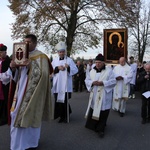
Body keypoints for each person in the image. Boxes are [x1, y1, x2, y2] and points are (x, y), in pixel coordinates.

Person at [9, 34, 53, 150]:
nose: (25, 44)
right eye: (24, 42)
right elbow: (17, 76)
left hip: (33, 93)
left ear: (35, 43)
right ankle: (16, 144)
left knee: (30, 115)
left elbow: (44, 76)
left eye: (28, 42)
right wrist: (13, 67)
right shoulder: (21, 54)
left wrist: (31, 66)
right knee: (15, 114)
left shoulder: (41, 57)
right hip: (20, 89)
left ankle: (29, 143)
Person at [85, 54, 116, 138]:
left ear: (103, 63)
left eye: (99, 62)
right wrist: (92, 83)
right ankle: (94, 125)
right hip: (95, 94)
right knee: (94, 109)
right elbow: (87, 80)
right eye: (96, 62)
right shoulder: (92, 71)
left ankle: (101, 129)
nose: (97, 64)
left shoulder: (109, 71)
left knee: (103, 112)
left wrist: (103, 83)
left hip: (104, 95)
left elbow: (113, 81)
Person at [52, 41, 78, 123]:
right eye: (60, 52)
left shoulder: (69, 60)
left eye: (63, 51)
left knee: (65, 101)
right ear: (58, 53)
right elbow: (50, 71)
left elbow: (75, 70)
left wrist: (69, 67)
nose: (61, 53)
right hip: (57, 84)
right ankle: (61, 116)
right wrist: (57, 68)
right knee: (58, 101)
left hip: (66, 85)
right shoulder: (54, 61)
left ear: (65, 52)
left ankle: (66, 116)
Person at [0, 44, 11, 126]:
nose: (0, 54)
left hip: (5, 84)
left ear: (5, 52)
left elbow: (9, 75)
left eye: (1, 52)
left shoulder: (9, 61)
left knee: (5, 100)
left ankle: (5, 118)